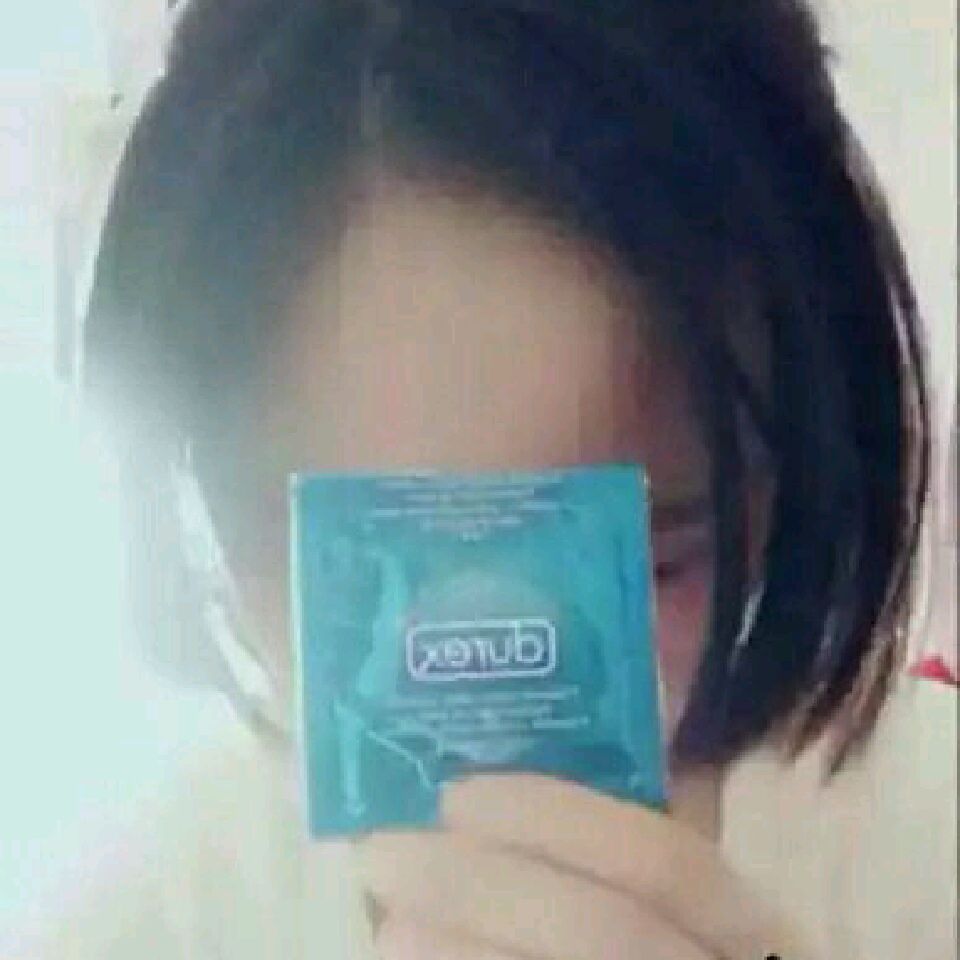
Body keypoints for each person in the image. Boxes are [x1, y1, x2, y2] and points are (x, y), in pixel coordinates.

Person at [26, 0, 954, 957]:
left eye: (655, 562)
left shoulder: (931, 847)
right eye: (361, 578)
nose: (506, 709)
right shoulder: (138, 918)